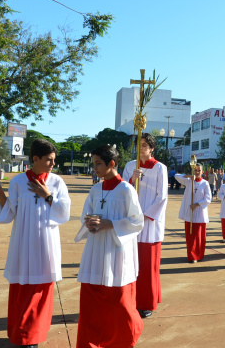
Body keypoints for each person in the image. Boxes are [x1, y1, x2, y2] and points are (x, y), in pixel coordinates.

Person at [0, 138, 71, 347]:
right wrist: (0, 191)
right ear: (35, 159)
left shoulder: (56, 182)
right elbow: (10, 212)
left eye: (54, 160)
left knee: (42, 289)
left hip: (46, 242)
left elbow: (64, 213)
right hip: (23, 242)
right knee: (22, 287)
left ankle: (32, 336)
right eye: (49, 160)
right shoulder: (18, 182)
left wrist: (48, 195)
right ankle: (21, 332)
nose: (53, 164)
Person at [75, 145, 144, 348]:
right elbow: (85, 213)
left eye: (98, 163)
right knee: (92, 302)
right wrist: (88, 222)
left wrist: (110, 224)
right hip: (96, 249)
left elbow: (137, 221)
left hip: (116, 251)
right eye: (93, 163)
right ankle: (91, 342)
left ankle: (122, 340)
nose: (94, 167)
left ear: (111, 164)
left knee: (119, 302)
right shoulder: (96, 189)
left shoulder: (126, 190)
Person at [122, 133, 168, 319]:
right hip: (132, 221)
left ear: (152, 148)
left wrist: (146, 215)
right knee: (131, 264)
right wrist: (131, 180)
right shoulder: (130, 166)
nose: (141, 148)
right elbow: (121, 189)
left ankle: (147, 302)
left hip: (149, 223)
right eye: (139, 145)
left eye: (145, 145)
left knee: (148, 265)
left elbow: (162, 196)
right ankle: (131, 300)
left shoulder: (160, 168)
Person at [175, 163, 211, 263]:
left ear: (202, 172)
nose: (197, 172)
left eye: (199, 170)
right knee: (190, 235)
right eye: (195, 170)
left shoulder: (205, 183)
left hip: (199, 212)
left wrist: (197, 204)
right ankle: (192, 256)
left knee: (199, 236)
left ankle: (199, 254)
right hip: (189, 212)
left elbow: (208, 198)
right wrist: (188, 176)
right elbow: (176, 176)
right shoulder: (188, 181)